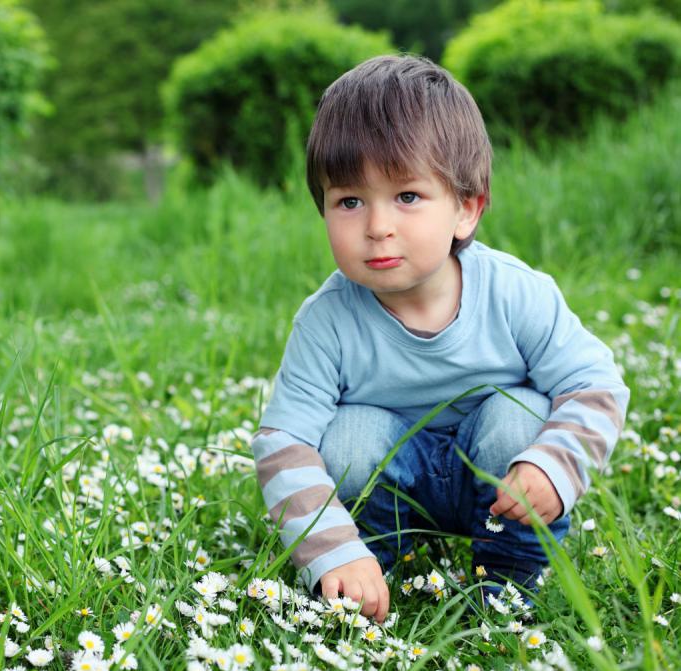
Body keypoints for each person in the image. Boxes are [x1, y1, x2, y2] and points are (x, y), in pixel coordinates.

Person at [250, 54, 629, 623]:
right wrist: (330, 545)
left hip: (504, 481)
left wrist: (555, 464)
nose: (378, 226)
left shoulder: (515, 293)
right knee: (348, 437)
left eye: (407, 197)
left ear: (466, 209)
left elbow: (596, 385)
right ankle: (364, 572)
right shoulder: (326, 319)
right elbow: (283, 441)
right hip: (389, 489)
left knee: (519, 413)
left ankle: (510, 577)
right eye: (349, 201)